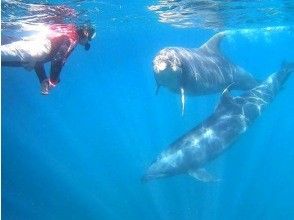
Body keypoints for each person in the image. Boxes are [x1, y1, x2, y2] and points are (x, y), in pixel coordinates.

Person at [1, 23, 95, 95]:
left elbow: (40, 56)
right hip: (26, 52)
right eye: (90, 38)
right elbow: (57, 60)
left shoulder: (64, 31)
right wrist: (53, 81)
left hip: (23, 46)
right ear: (86, 33)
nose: (89, 41)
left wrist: (43, 79)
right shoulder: (72, 38)